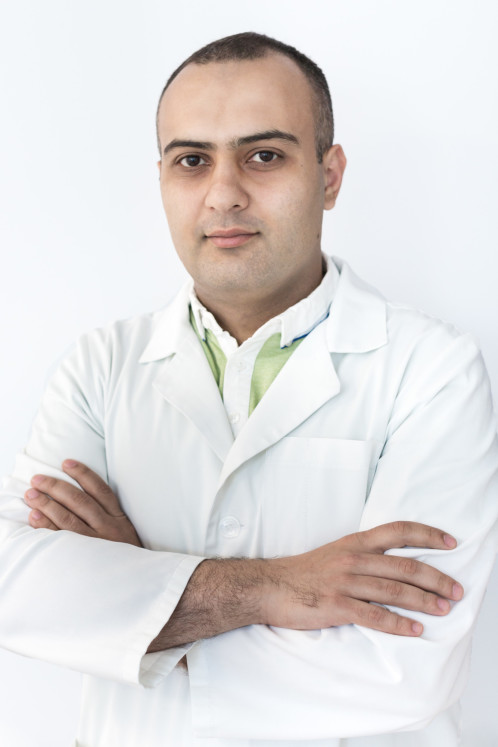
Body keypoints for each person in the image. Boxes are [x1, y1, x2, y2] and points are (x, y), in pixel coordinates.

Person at [0, 31, 497, 747]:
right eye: (192, 160)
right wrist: (276, 586)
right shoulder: (100, 366)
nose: (223, 194)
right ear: (163, 179)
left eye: (264, 155)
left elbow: (402, 667)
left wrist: (135, 597)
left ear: (330, 176)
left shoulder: (432, 369)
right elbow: (17, 589)